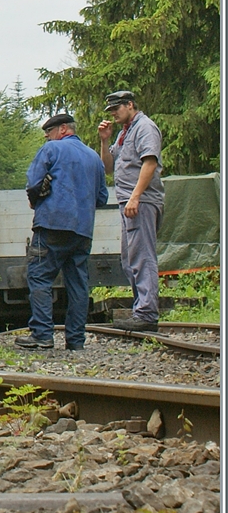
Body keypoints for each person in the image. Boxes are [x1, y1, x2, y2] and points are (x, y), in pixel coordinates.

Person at [17, 112, 107, 351]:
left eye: (49, 133)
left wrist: (36, 198)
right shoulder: (94, 158)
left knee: (39, 276)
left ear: (63, 129)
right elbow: (102, 197)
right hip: (82, 231)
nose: (47, 138)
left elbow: (34, 183)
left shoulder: (51, 150)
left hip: (52, 225)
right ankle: (76, 341)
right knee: (78, 284)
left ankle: (42, 335)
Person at [98, 90, 164, 332]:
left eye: (117, 108)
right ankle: (141, 311)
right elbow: (107, 167)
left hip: (141, 202)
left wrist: (135, 198)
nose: (113, 113)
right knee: (129, 259)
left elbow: (150, 162)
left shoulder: (145, 127)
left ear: (130, 104)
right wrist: (105, 140)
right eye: (111, 110)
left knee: (142, 256)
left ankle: (147, 313)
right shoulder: (125, 133)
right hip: (129, 203)